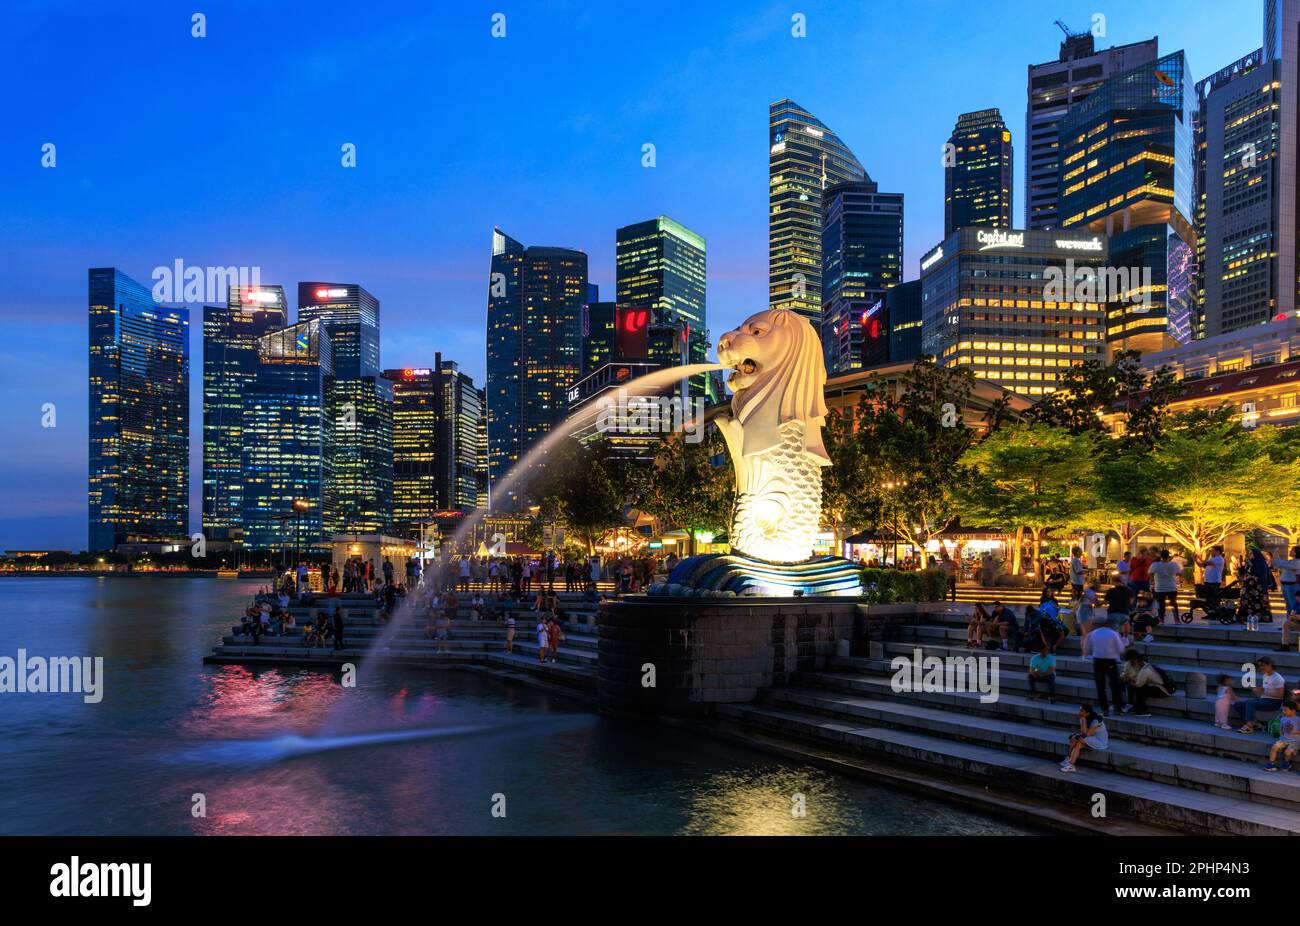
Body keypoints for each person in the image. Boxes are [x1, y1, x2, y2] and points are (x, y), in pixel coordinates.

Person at [1081, 619, 1124, 716]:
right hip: (1110, 660)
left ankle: (1105, 709)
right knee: (1114, 684)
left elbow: (1086, 649)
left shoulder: (1092, 634)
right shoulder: (1113, 634)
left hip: (1098, 661)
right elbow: (1121, 649)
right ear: (1107, 624)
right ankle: (1117, 706)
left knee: (1100, 686)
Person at [1237, 657, 1287, 733]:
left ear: (1270, 665)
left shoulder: (1278, 678)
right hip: (1264, 700)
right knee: (1238, 705)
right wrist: (1257, 690)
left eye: (1262, 665)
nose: (1260, 667)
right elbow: (1264, 691)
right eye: (1259, 665)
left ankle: (1249, 726)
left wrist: (1263, 692)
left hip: (1274, 703)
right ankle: (1255, 723)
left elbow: (1280, 695)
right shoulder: (1265, 675)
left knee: (1250, 703)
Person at [1119, 648, 1172, 718]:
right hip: (1156, 686)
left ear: (1137, 661)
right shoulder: (1144, 667)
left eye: (1133, 661)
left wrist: (1130, 680)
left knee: (1139, 689)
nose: (1132, 662)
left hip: (1162, 690)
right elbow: (1127, 674)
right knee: (1131, 685)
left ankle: (1143, 710)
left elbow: (1138, 684)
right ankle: (1135, 707)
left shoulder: (1145, 670)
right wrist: (1125, 678)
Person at [1060, 705, 1108, 772]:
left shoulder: (1096, 721)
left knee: (1078, 739)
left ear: (1087, 713)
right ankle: (1070, 762)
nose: (1079, 712)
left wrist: (1083, 720)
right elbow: (1084, 733)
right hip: (1091, 738)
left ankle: (1069, 762)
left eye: (1081, 711)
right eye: (1080, 710)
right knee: (1076, 741)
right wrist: (1083, 720)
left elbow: (1086, 734)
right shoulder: (1083, 718)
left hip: (1099, 741)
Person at [1148, 549, 1182, 626]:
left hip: (1160, 588)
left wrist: (1151, 584)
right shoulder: (1174, 565)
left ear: (1161, 556)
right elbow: (1179, 573)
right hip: (1172, 587)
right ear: (1169, 556)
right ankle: (1177, 620)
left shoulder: (1155, 565)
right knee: (1173, 603)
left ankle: (1161, 621)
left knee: (1161, 605)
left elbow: (1150, 574)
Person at [1264, 701, 1300, 771]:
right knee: (1274, 747)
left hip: (1295, 741)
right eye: (1283, 710)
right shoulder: (1283, 718)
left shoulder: (1298, 720)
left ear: (1293, 710)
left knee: (1287, 752)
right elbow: (1281, 729)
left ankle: (1286, 763)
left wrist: (1295, 732)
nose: (1283, 712)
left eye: (1285, 710)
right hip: (1284, 739)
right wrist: (1281, 734)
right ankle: (1271, 764)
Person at [1278, 546, 1300, 651]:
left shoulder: (1297, 562)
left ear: (1296, 553)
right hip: (1286, 584)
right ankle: (1288, 623)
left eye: (1292, 550)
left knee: (1292, 605)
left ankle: (1291, 623)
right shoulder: (1291, 561)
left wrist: (1276, 556)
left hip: (1292, 585)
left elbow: (1281, 564)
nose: (1290, 551)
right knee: (1288, 605)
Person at [1200, 545, 1226, 610]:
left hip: (1214, 581)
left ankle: (1214, 612)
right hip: (1208, 581)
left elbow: (1206, 563)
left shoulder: (1219, 559)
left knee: (1213, 599)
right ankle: (1209, 613)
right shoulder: (1212, 558)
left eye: (1212, 551)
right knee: (1208, 599)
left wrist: (1199, 557)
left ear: (1218, 551)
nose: (1211, 552)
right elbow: (1202, 564)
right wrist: (1195, 559)